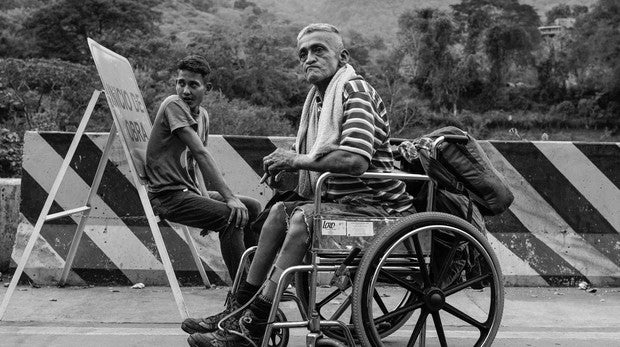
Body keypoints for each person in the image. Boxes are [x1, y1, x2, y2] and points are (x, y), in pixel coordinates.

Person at [183, 24, 415, 347]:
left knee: (301, 219)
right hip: (341, 203)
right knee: (278, 210)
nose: (308, 58)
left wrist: (296, 161)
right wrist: (288, 166)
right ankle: (238, 310)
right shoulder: (318, 102)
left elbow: (356, 161)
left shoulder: (354, 92)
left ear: (342, 56)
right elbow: (316, 157)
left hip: (376, 207)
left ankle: (255, 323)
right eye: (303, 53)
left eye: (319, 50)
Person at [145, 55, 262, 282]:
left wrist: (206, 199)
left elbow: (195, 163)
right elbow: (201, 153)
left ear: (206, 88)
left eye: (193, 85)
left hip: (189, 193)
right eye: (181, 83)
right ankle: (242, 294)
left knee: (253, 208)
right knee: (232, 216)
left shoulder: (203, 116)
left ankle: (256, 282)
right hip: (167, 196)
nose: (185, 90)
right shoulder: (173, 105)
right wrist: (228, 197)